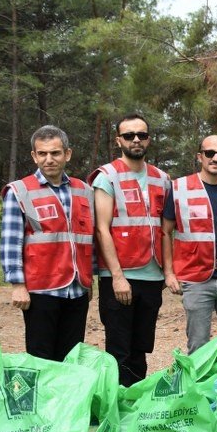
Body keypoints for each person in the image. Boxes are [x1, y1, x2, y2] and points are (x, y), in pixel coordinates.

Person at [91, 114, 172, 386]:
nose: (135, 140)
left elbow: (167, 230)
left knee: (141, 346)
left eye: (141, 135)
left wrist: (166, 272)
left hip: (151, 276)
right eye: (129, 135)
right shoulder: (107, 177)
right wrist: (117, 276)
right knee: (119, 348)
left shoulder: (162, 179)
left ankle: (134, 405)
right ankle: (117, 405)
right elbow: (102, 229)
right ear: (119, 140)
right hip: (119, 276)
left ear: (148, 139)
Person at [1, 125, 94, 361]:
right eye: (42, 154)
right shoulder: (20, 191)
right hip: (41, 288)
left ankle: (67, 399)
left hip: (76, 289)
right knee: (41, 358)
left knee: (71, 357)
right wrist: (17, 284)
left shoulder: (84, 190)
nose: (49, 159)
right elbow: (11, 240)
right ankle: (42, 400)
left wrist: (88, 277)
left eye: (55, 153)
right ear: (34, 155)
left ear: (67, 154)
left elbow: (87, 238)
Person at [161, 135, 217, 353]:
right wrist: (169, 273)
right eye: (210, 153)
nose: (215, 158)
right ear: (200, 157)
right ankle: (198, 386)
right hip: (195, 278)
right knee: (198, 345)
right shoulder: (179, 188)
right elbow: (165, 231)